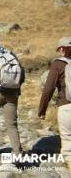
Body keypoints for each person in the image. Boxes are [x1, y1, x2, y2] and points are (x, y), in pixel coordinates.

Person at [38, 37, 71, 170]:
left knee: (67, 137)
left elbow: (48, 89)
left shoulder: (58, 64)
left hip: (66, 106)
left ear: (62, 49)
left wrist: (42, 110)